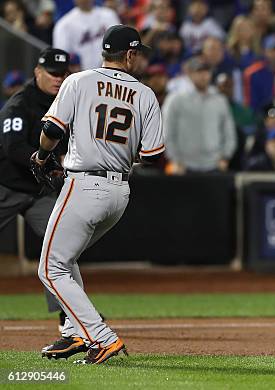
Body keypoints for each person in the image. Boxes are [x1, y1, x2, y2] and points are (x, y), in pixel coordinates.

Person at [36, 25, 165, 364]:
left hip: (83, 184)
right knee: (66, 259)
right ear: (131, 54)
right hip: (118, 192)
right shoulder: (146, 94)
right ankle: (75, 333)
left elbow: (51, 131)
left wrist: (41, 155)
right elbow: (152, 156)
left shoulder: (78, 81)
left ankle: (101, 337)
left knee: (50, 268)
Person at [0, 48, 73, 336]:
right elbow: (13, 147)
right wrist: (44, 160)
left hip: (38, 192)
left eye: (62, 73)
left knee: (61, 247)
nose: (58, 78)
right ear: (38, 72)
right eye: (53, 73)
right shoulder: (19, 104)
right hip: (5, 186)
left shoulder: (66, 101)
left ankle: (70, 313)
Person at [162, 57, 236, 174]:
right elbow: (167, 132)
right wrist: (175, 159)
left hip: (214, 165)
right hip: (184, 166)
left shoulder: (220, 100)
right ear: (190, 74)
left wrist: (225, 157)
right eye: (199, 71)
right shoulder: (176, 99)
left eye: (206, 71)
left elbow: (228, 132)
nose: (204, 75)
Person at [52, 0, 120, 70]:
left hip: (111, 71)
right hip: (81, 75)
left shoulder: (109, 15)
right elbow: (60, 56)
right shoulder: (64, 24)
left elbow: (119, 42)